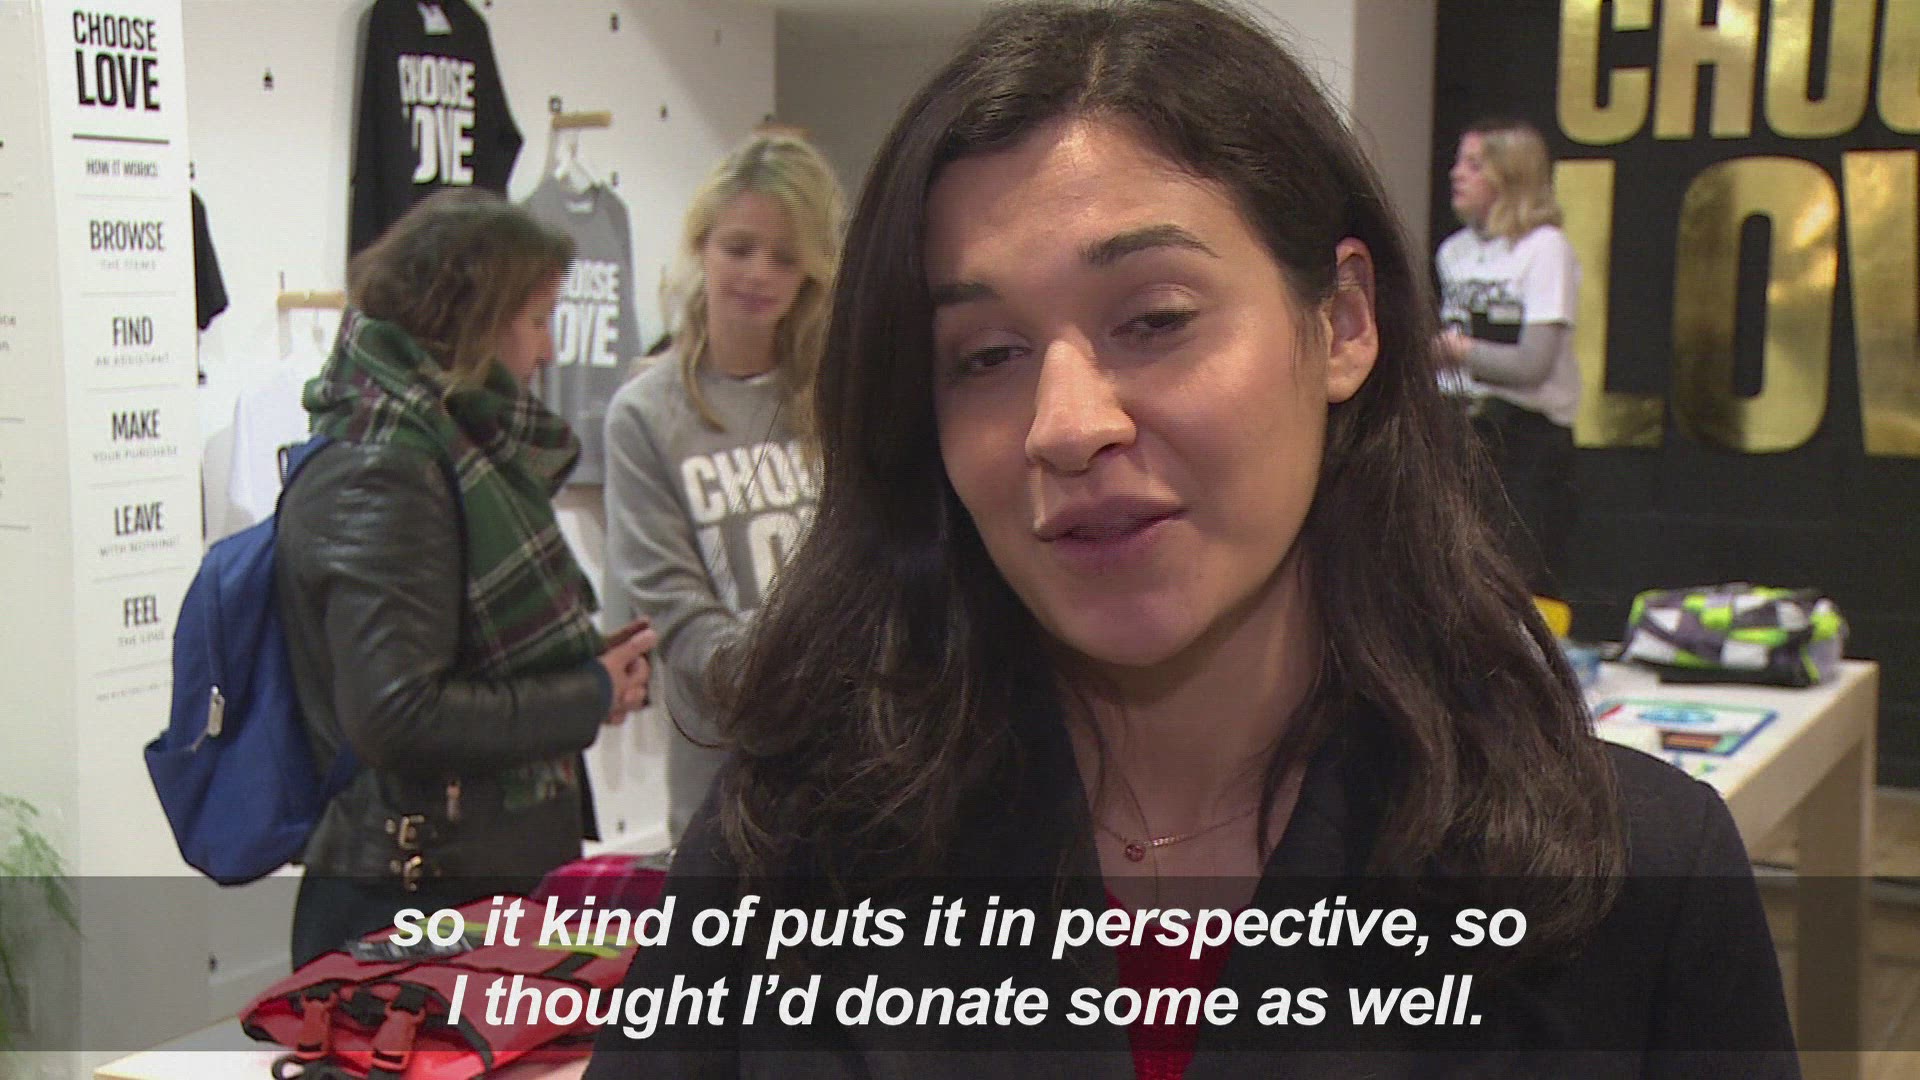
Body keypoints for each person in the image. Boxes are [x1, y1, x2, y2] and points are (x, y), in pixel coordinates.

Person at [587, 2, 1794, 1076]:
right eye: (988, 356)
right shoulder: (788, 844)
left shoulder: (1636, 878)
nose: (1066, 425)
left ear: (1344, 322)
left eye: (1155, 319)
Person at [278, 190, 656, 968]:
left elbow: (453, 656)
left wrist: (582, 670)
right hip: (418, 903)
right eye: (537, 320)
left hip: (469, 879)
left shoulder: (444, 447)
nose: (547, 351)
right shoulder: (387, 466)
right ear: (474, 323)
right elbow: (397, 715)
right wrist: (587, 692)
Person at [602, 132, 844, 842]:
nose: (757, 273)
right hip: (724, 785)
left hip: (855, 773)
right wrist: (802, 683)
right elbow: (678, 615)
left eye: (784, 257)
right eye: (739, 247)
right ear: (702, 246)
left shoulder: (835, 399)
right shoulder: (645, 415)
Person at [1435, 118, 1582, 599]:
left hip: (1522, 439)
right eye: (1459, 161)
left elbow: (1531, 365)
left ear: (1510, 176)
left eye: (1475, 165)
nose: (1457, 173)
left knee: (1514, 581)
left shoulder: (1544, 250)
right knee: (1451, 575)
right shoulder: (1454, 253)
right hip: (1459, 429)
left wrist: (1457, 352)